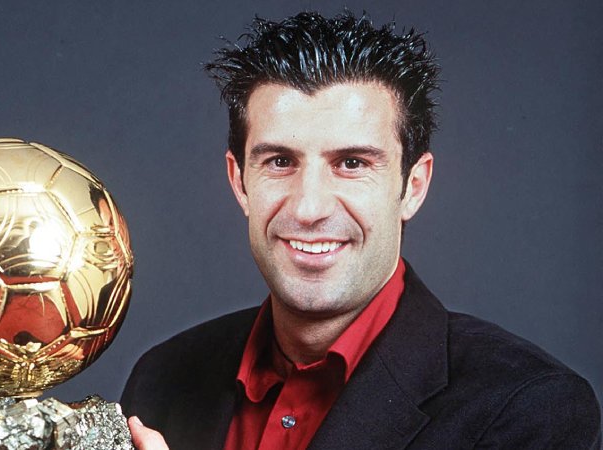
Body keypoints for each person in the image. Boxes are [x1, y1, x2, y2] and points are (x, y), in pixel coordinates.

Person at [121, 11, 602, 450]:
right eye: (279, 161)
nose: (309, 207)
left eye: (351, 163)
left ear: (413, 186)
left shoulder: (528, 410)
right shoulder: (162, 378)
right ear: (239, 181)